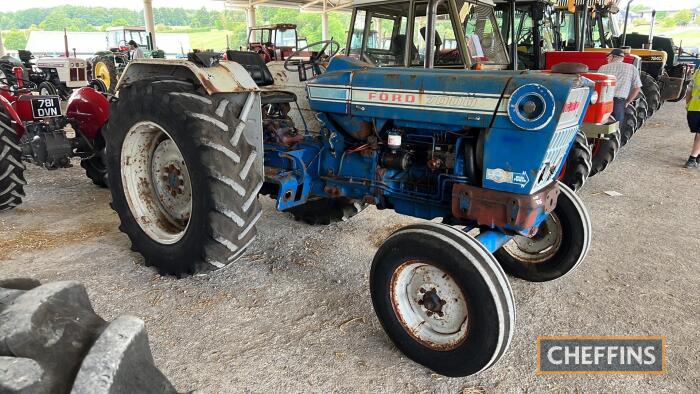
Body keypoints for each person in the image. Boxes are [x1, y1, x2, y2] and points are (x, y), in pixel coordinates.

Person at [599, 48, 642, 124]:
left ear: (612, 56)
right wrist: (628, 101)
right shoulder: (631, 67)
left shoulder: (602, 68)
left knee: (601, 124)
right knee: (616, 127)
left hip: (603, 101)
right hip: (618, 102)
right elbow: (637, 87)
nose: (607, 59)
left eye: (608, 57)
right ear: (622, 58)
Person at [684, 67, 700, 168]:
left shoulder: (699, 71)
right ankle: (692, 159)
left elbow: (689, 89)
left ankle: (697, 155)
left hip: (693, 108)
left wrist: (688, 105)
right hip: (694, 108)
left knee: (699, 133)